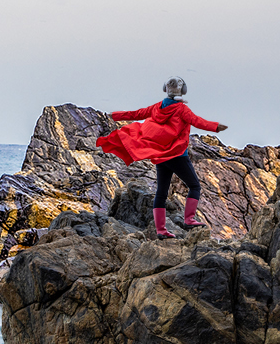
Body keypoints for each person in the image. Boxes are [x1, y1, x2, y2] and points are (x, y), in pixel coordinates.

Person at [95, 77, 228, 238]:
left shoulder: (157, 107)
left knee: (161, 192)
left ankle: (161, 230)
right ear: (183, 90)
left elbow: (136, 114)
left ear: (165, 89)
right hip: (177, 155)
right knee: (194, 186)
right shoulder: (182, 109)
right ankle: (189, 219)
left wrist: (115, 115)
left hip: (161, 157)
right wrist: (216, 126)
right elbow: (197, 121)